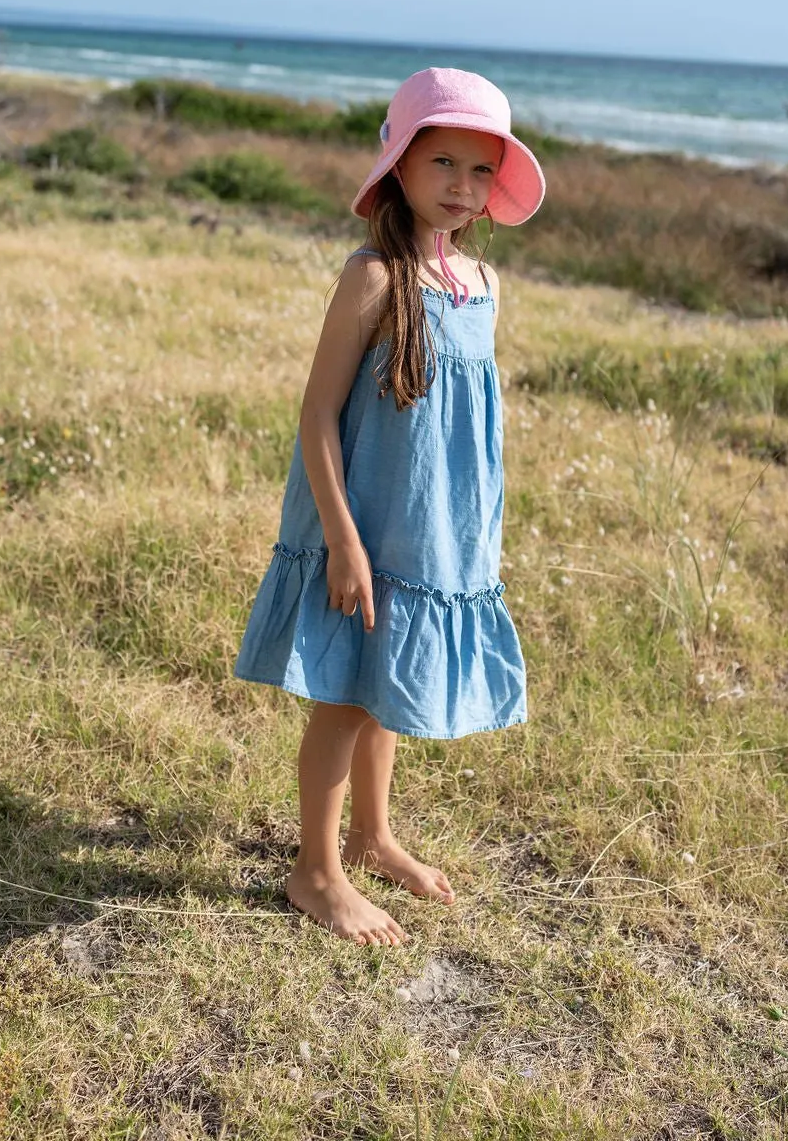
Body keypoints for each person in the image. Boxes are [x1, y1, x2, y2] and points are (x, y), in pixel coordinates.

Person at [234, 67, 546, 945]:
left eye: (481, 170)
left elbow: (465, 432)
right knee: (343, 696)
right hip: (361, 524)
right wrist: (341, 540)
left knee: (386, 687)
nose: (461, 186)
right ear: (400, 167)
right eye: (442, 161)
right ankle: (316, 871)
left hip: (433, 527)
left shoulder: (481, 283)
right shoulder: (374, 276)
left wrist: (471, 531)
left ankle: (372, 837)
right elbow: (316, 415)